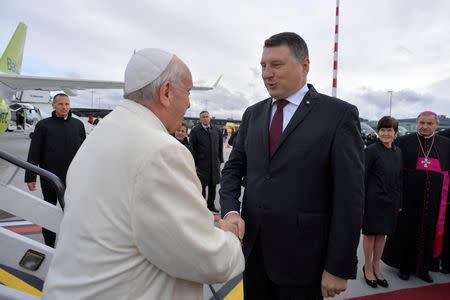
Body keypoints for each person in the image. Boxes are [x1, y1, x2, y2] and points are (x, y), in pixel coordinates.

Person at [41, 48, 244, 299]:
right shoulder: (161, 150)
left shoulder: (100, 135)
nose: (190, 104)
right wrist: (230, 235)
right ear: (166, 92)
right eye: (188, 92)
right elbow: (210, 259)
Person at [220, 32, 364, 299]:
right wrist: (229, 211)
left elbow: (350, 197)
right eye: (263, 65)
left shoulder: (338, 116)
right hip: (253, 253)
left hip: (305, 261)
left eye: (276, 65)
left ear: (305, 65)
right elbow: (232, 170)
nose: (266, 73)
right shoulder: (253, 114)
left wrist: (339, 266)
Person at [382, 111, 450, 283]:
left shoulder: (445, 144)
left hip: (434, 199)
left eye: (429, 123)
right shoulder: (403, 142)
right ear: (417, 123)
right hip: (408, 198)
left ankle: (423, 269)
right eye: (421, 123)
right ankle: (404, 267)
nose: (425, 127)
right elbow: (392, 170)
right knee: (407, 232)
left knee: (428, 232)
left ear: (436, 125)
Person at [25, 93, 86, 248]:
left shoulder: (78, 125)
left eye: (67, 104)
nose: (64, 107)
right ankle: (49, 243)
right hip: (49, 178)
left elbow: (84, 152)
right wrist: (30, 176)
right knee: (49, 212)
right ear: (53, 105)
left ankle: (72, 244)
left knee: (72, 212)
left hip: (72, 179)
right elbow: (34, 152)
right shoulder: (43, 125)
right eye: (60, 104)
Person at [362, 116, 403, 289]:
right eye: (382, 130)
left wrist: (399, 201)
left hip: (390, 201)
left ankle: (377, 267)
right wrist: (361, 203)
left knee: (382, 235)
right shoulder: (371, 150)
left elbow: (400, 178)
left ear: (395, 133)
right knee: (371, 234)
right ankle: (368, 268)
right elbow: (361, 177)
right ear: (378, 132)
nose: (385, 133)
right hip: (372, 200)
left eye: (389, 130)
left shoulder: (398, 152)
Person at [189, 110, 224, 213]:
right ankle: (202, 206)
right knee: (202, 187)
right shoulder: (195, 131)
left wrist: (220, 159)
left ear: (210, 118)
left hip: (214, 163)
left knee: (213, 186)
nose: (205, 118)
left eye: (207, 116)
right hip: (201, 163)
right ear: (200, 119)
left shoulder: (216, 130)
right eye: (203, 117)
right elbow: (192, 148)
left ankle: (211, 205)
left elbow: (220, 146)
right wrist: (194, 163)